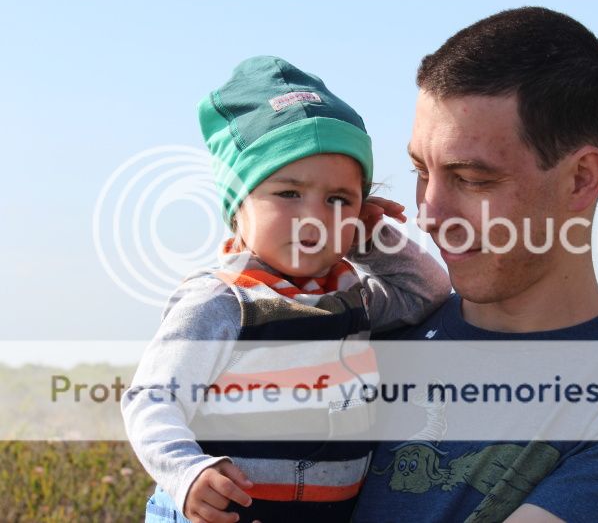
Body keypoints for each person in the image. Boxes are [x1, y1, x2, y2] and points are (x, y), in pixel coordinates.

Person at [351, 7, 598, 523]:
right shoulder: (367, 329)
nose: (429, 214)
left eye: (472, 179)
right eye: (421, 171)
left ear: (581, 179)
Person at [121, 56, 451, 523]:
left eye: (338, 199)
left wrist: (370, 237)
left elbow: (428, 291)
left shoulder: (349, 295)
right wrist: (186, 472)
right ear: (238, 203)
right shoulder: (223, 301)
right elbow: (153, 399)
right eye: (289, 193)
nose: (313, 216)